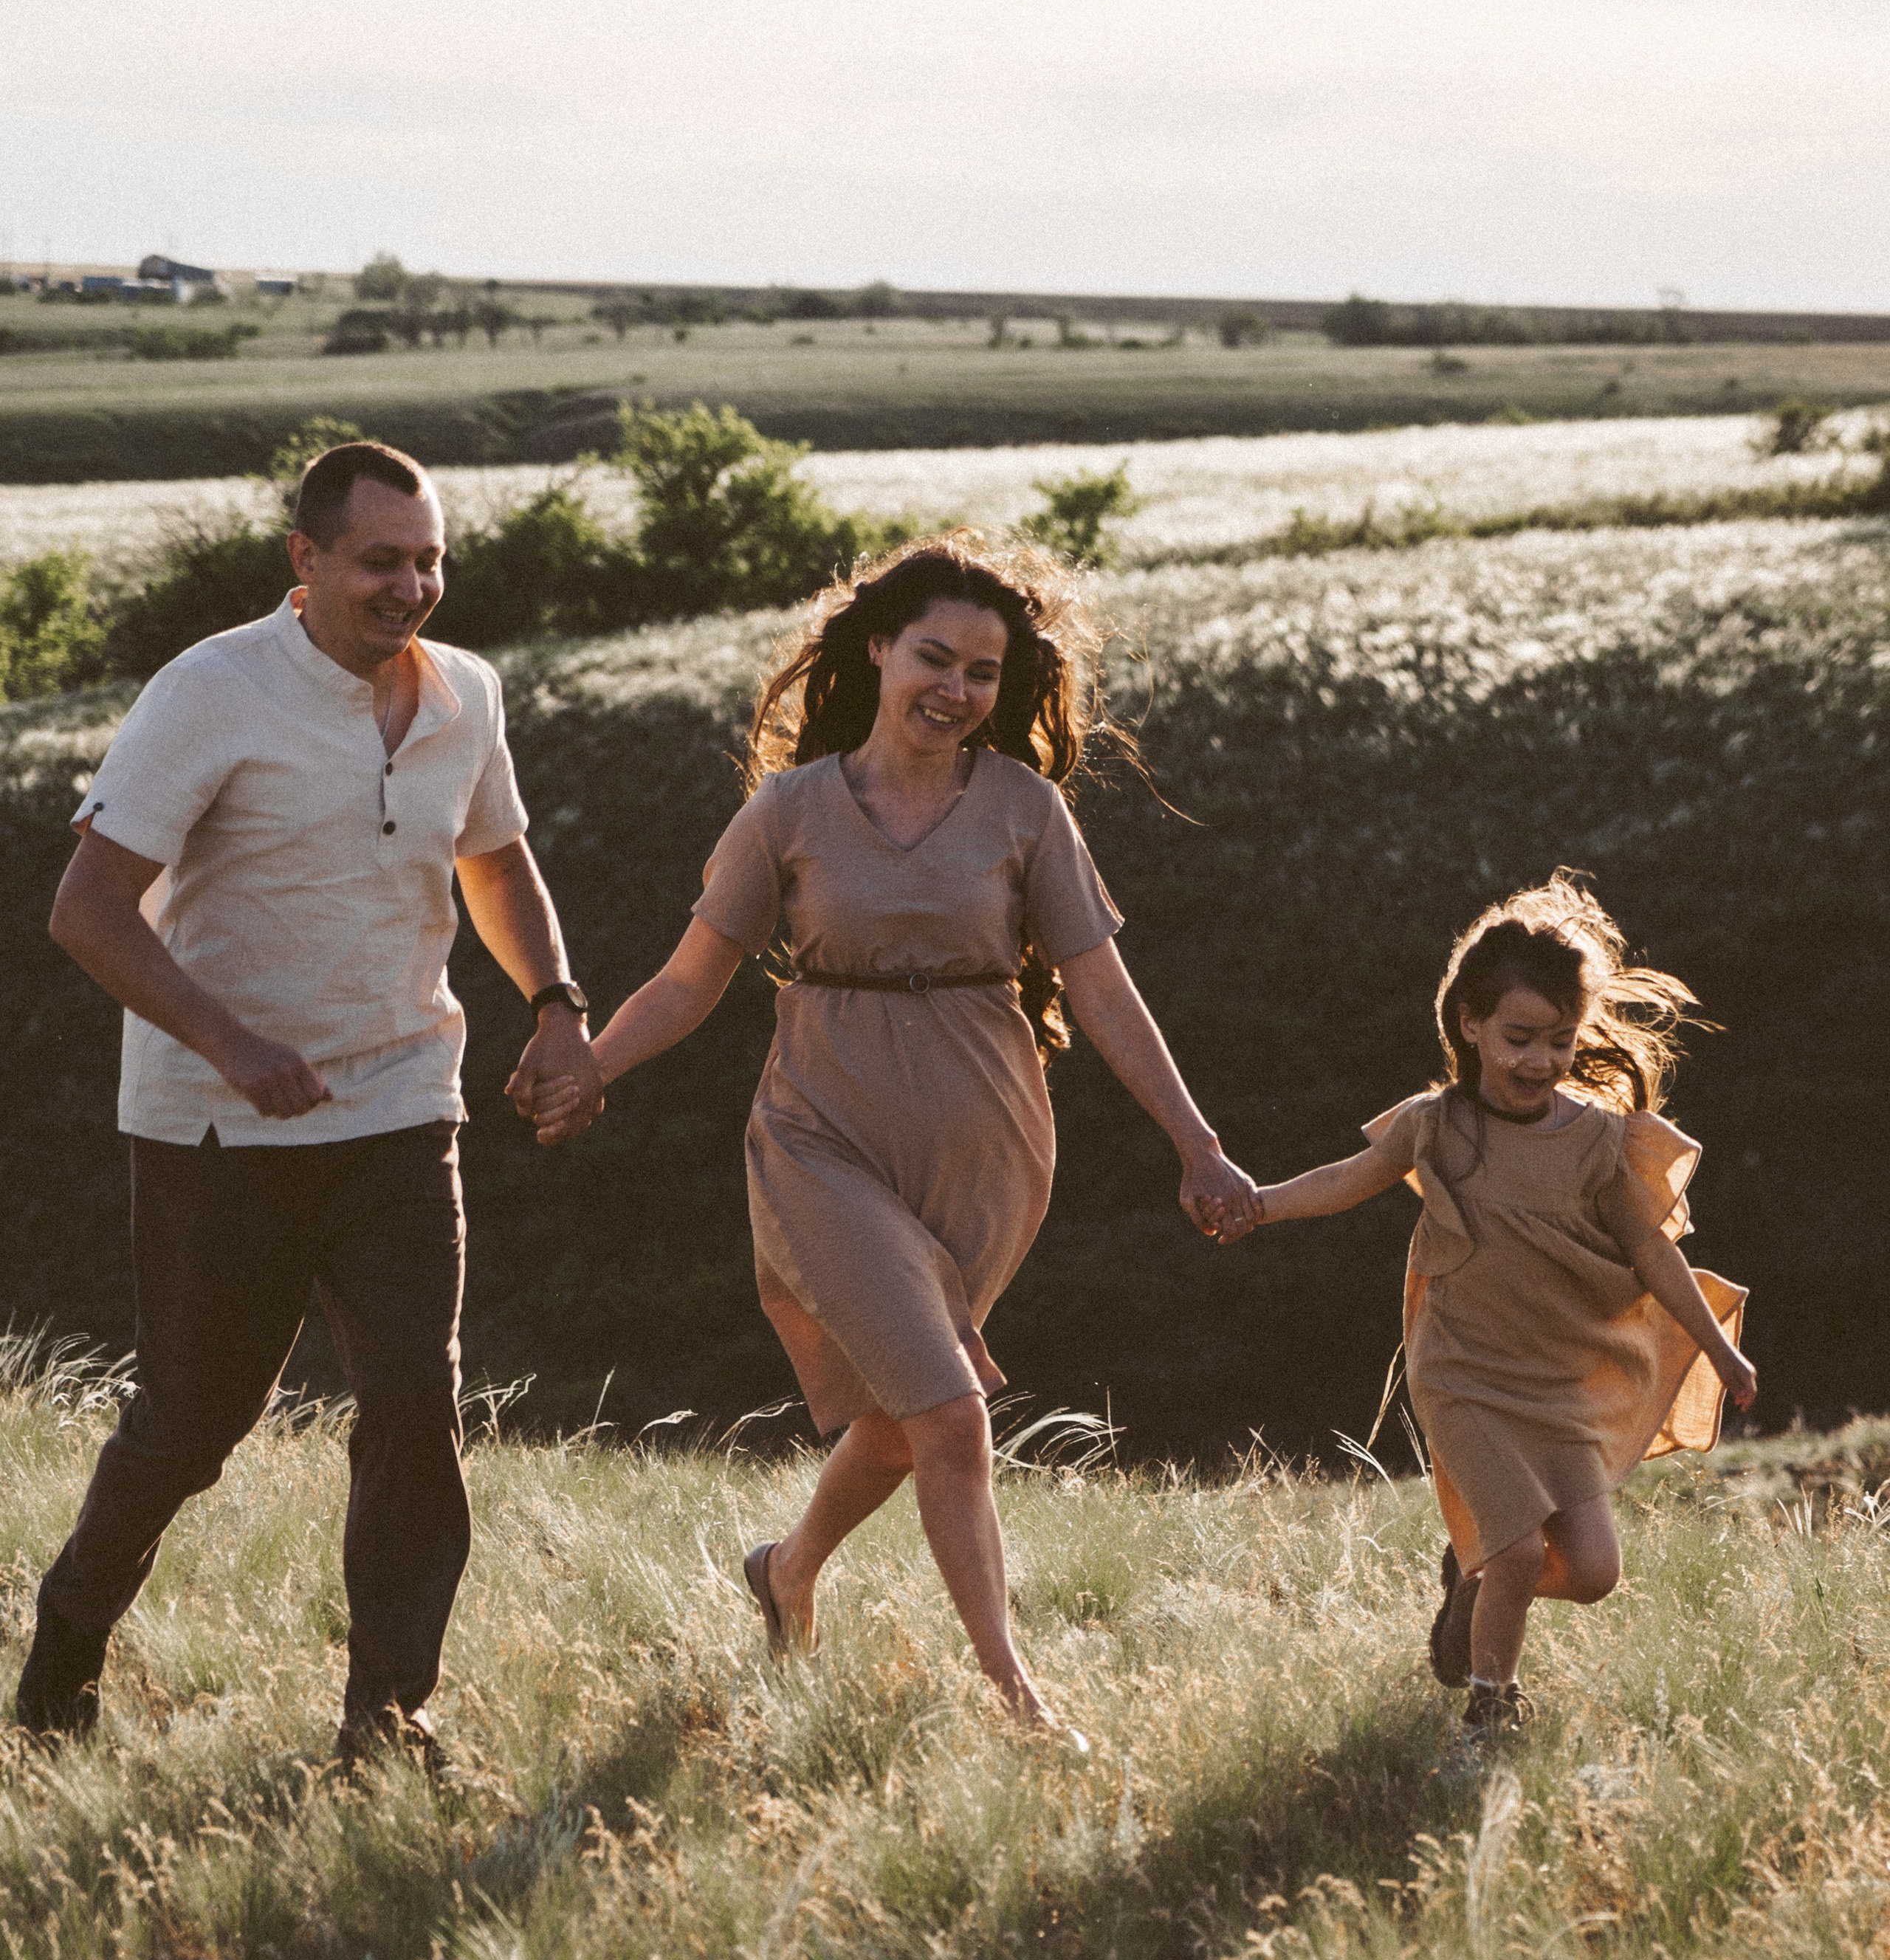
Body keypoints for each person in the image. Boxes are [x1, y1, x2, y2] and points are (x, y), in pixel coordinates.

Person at [526, 534, 1260, 1733]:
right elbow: (689, 980)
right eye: (934, 656)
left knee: (900, 1417)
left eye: (983, 673)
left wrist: (1198, 1142)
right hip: (823, 1137)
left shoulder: (1026, 812)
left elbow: (1106, 993)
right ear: (875, 647)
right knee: (952, 1411)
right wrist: (589, 1068)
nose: (956, 689)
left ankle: (788, 1569)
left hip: (989, 1149)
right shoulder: (790, 814)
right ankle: (1016, 1697)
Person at [13, 440, 605, 1764]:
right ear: (307, 561)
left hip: (402, 1106)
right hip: (224, 1130)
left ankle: (389, 1717)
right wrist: (234, 1044)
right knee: (195, 1420)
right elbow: (87, 910)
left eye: (430, 559)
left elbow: (496, 861)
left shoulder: (467, 694)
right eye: (381, 561)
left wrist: (557, 1006)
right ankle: (64, 1643)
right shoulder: (211, 690)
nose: (412, 586)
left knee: (413, 1400)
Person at [1245, 876, 1754, 1741]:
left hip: (1557, 1382)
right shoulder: (1431, 1126)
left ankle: (1473, 1585)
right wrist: (1256, 1204)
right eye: (1519, 1039)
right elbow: (1344, 1182)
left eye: (1559, 1042)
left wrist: (1719, 1348)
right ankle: (1492, 1704)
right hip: (1465, 1376)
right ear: (1469, 1025)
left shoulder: (1597, 1141)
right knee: (1519, 1546)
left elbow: (1652, 1252)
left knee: (1590, 1572)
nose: (1538, 1061)